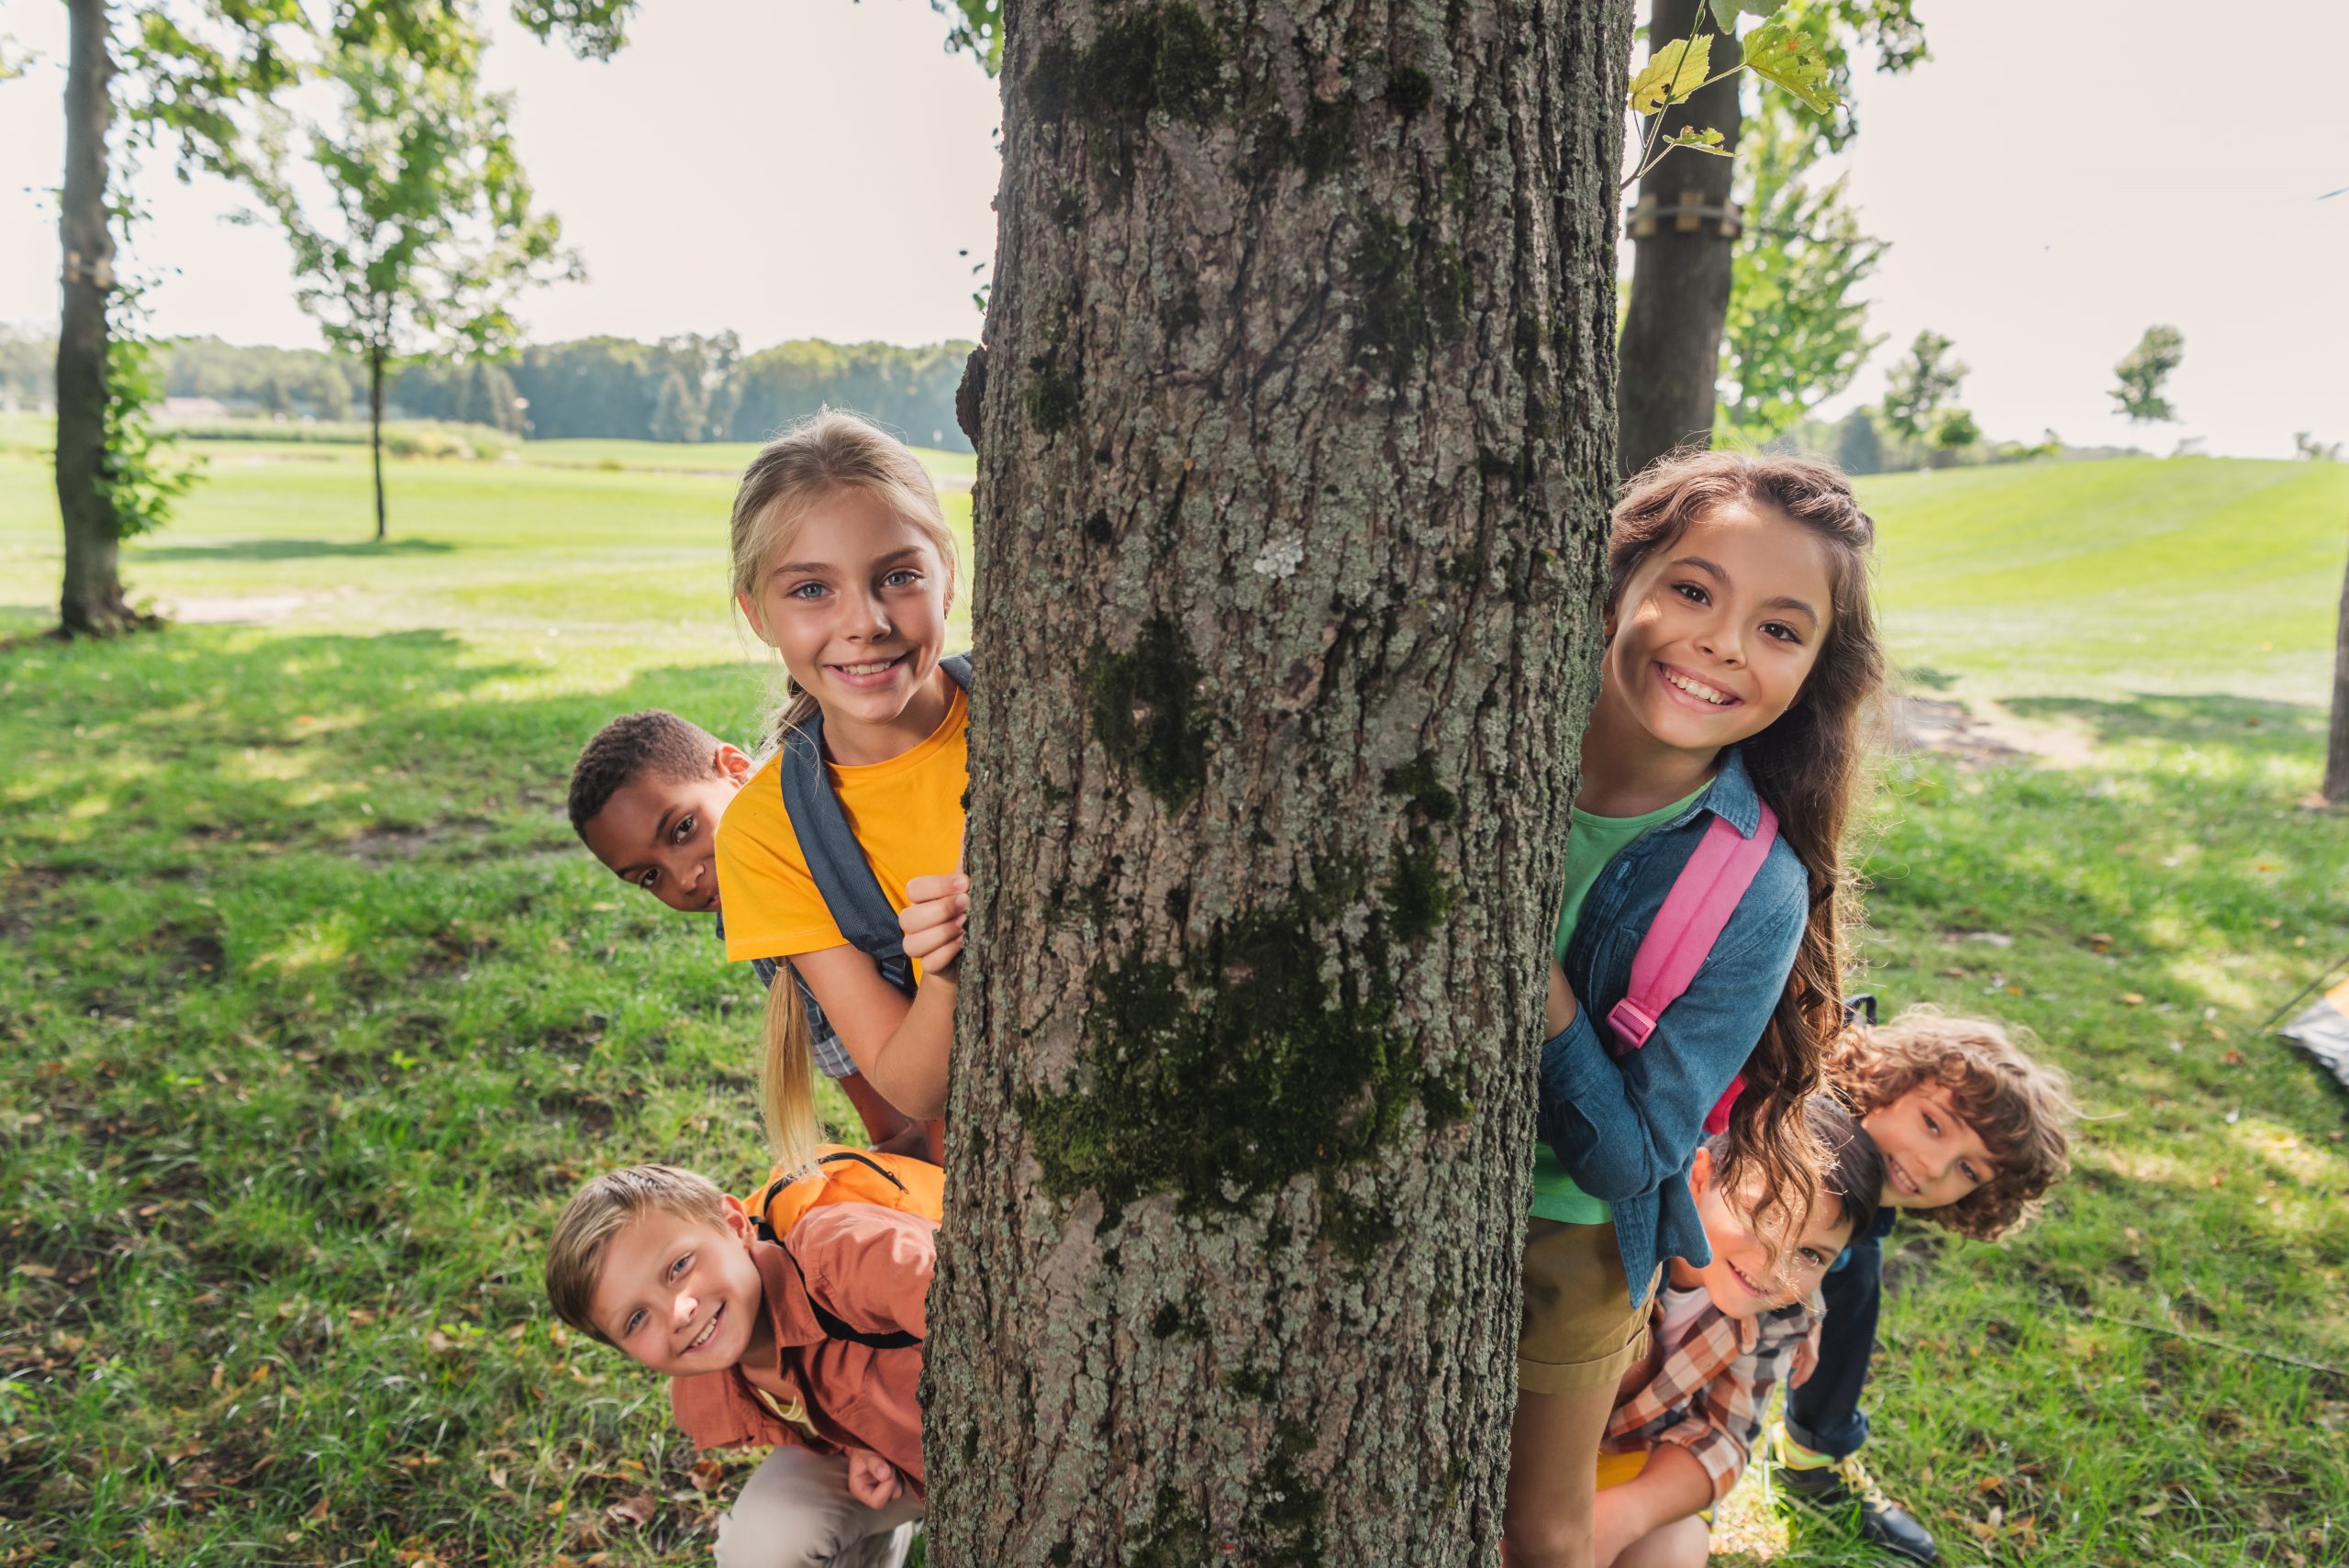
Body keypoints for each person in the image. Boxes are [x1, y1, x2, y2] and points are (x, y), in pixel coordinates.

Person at [1506, 450, 1887, 1568]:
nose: (1721, 641)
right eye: (1692, 589)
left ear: (1814, 671)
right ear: (1619, 581)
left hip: (1569, 1233)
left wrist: (1541, 987)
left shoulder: (1753, 887)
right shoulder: (1476, 732)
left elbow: (1632, 1158)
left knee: (1538, 1526)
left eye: (1779, 628)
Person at [709, 411, 970, 1164]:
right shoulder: (768, 833)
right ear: (758, 614)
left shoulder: (1027, 708)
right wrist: (945, 973)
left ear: (946, 577)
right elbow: (914, 1089)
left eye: (898, 576)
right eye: (813, 589)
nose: (866, 622)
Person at [1771, 1006, 2077, 1563]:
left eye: (1968, 1171)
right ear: (1889, 1080)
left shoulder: (1868, 1198)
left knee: (1857, 1268)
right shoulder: (1790, 1129)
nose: (1934, 1168)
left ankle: (1813, 1455)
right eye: (1933, 1124)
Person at [544, 1164, 932, 1568]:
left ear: (733, 1224)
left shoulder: (845, 1254)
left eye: (679, 1267)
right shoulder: (705, 1397)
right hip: (904, 1472)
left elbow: (981, 1319)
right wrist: (852, 1448)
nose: (678, 1313)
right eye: (637, 1319)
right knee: (758, 1550)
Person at [566, 708, 917, 1151]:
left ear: (734, 770)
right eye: (650, 877)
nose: (683, 879)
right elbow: (862, 1082)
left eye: (683, 829)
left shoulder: (838, 807)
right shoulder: (757, 932)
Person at [1591, 1097, 1885, 1568]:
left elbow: (1723, 1436)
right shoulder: (1619, 1241)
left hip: (1629, 1455)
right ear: (1701, 1177)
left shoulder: (1784, 1313)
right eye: (1766, 1216)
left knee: (1675, 1551)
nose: (1774, 1266)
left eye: (1811, 1254)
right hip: (1538, 1442)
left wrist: (1621, 1516)